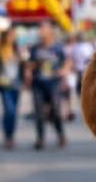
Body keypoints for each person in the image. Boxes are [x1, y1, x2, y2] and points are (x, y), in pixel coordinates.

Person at [25, 21, 68, 150]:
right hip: (38, 83)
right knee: (39, 112)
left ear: (50, 31)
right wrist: (29, 71)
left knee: (55, 110)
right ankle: (40, 139)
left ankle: (60, 134)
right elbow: (30, 64)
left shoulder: (57, 47)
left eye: (43, 29)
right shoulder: (35, 48)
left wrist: (63, 71)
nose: (41, 32)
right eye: (40, 29)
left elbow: (67, 61)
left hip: (54, 82)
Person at [0, 28, 23, 150]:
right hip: (4, 84)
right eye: (9, 36)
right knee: (9, 110)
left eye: (13, 36)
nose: (11, 38)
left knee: (14, 112)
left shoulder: (17, 50)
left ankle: (11, 135)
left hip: (16, 84)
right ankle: (8, 136)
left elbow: (22, 67)